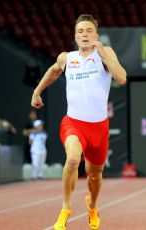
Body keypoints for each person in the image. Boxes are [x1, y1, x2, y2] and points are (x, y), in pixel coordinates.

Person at [31, 14, 126, 230]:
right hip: (73, 123)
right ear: (75, 36)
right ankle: (65, 209)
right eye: (81, 31)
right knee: (73, 159)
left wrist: (104, 54)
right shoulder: (67, 58)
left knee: (95, 175)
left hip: (98, 128)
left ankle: (92, 206)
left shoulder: (105, 54)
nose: (85, 34)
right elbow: (53, 71)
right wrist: (37, 92)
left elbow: (121, 78)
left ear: (96, 35)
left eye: (89, 31)